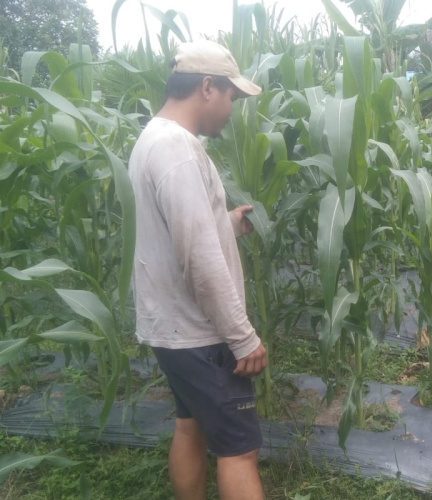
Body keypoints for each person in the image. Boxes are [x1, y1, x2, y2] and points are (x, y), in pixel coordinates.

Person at [129, 40, 267, 500]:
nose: (231, 109)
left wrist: (226, 223)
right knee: (238, 449)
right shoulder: (178, 150)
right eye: (231, 97)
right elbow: (198, 257)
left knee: (190, 428)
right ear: (208, 87)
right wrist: (242, 335)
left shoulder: (153, 138)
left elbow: (181, 231)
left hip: (172, 331)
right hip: (202, 335)